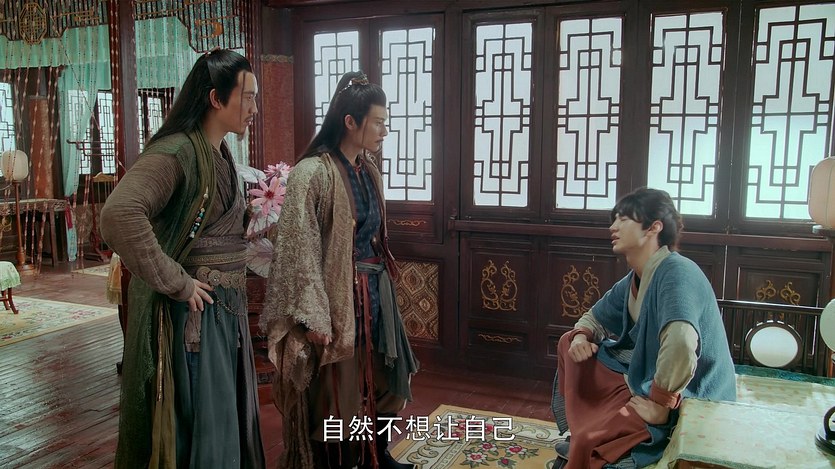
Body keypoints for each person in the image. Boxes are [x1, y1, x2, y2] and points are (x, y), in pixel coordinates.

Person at [101, 48, 265, 469]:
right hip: (195, 316)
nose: (254, 109)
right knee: (198, 426)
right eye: (247, 97)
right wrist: (177, 281)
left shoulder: (220, 153)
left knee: (224, 421)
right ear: (215, 98)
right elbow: (119, 214)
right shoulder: (178, 151)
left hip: (224, 311)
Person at [261, 71, 419, 469]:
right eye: (378, 122)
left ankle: (377, 456)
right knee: (338, 392)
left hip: (375, 292)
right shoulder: (312, 173)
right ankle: (339, 462)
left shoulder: (369, 170)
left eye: (386, 122)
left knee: (385, 378)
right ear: (350, 121)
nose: (385, 131)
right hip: (336, 300)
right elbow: (298, 251)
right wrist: (313, 315)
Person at [551, 188, 736, 469]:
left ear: (653, 228)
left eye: (624, 219)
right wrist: (580, 337)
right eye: (614, 219)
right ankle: (592, 429)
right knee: (568, 341)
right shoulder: (634, 279)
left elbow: (681, 343)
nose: (613, 227)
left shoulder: (677, 273)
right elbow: (594, 318)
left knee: (589, 442)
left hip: (691, 388)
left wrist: (661, 404)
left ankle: (602, 436)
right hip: (649, 376)